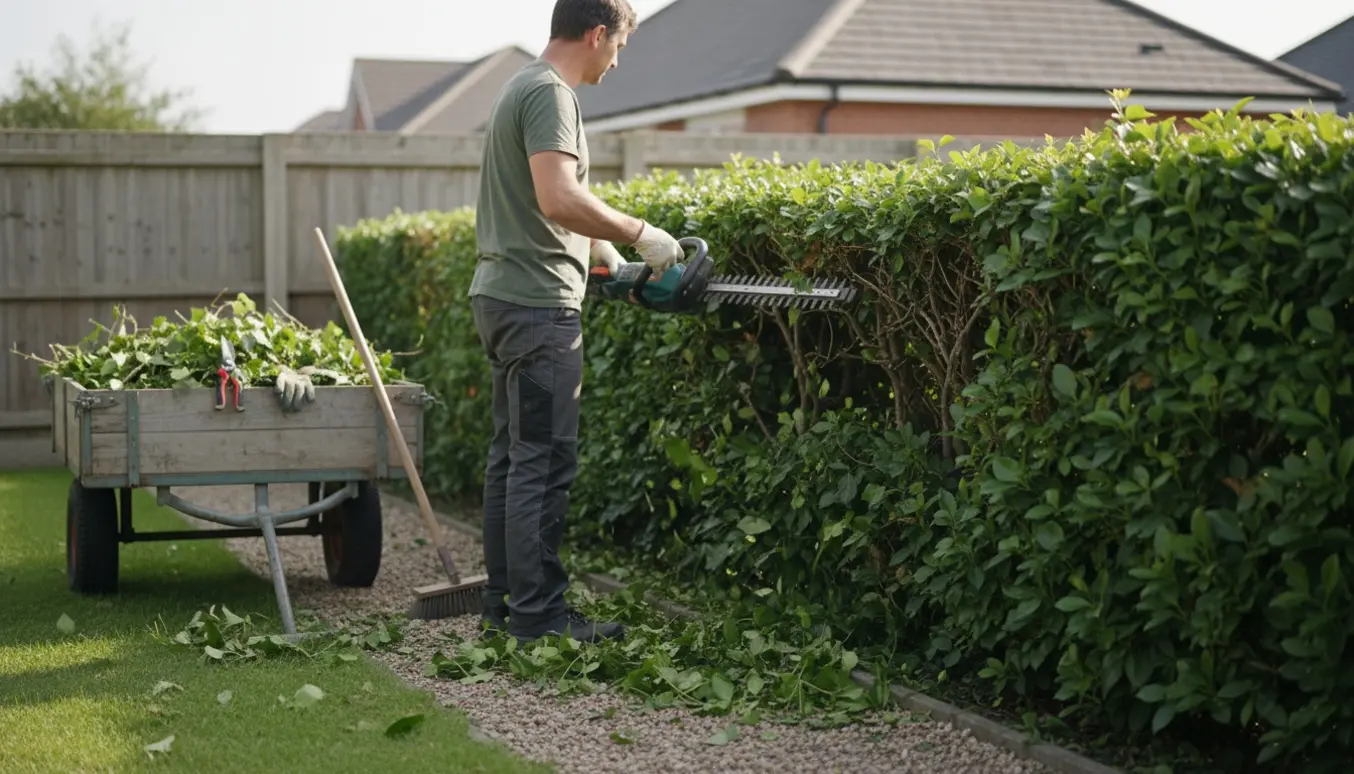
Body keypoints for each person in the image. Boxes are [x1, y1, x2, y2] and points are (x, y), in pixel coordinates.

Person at [466, 0, 684, 645]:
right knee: (544, 461)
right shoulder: (552, 95)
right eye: (618, 47)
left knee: (512, 460)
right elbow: (558, 195)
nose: (616, 62)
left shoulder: (522, 87)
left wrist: (602, 252)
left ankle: (505, 606)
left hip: (506, 298)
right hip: (538, 309)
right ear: (596, 34)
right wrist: (643, 233)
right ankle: (540, 619)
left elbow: (544, 205)